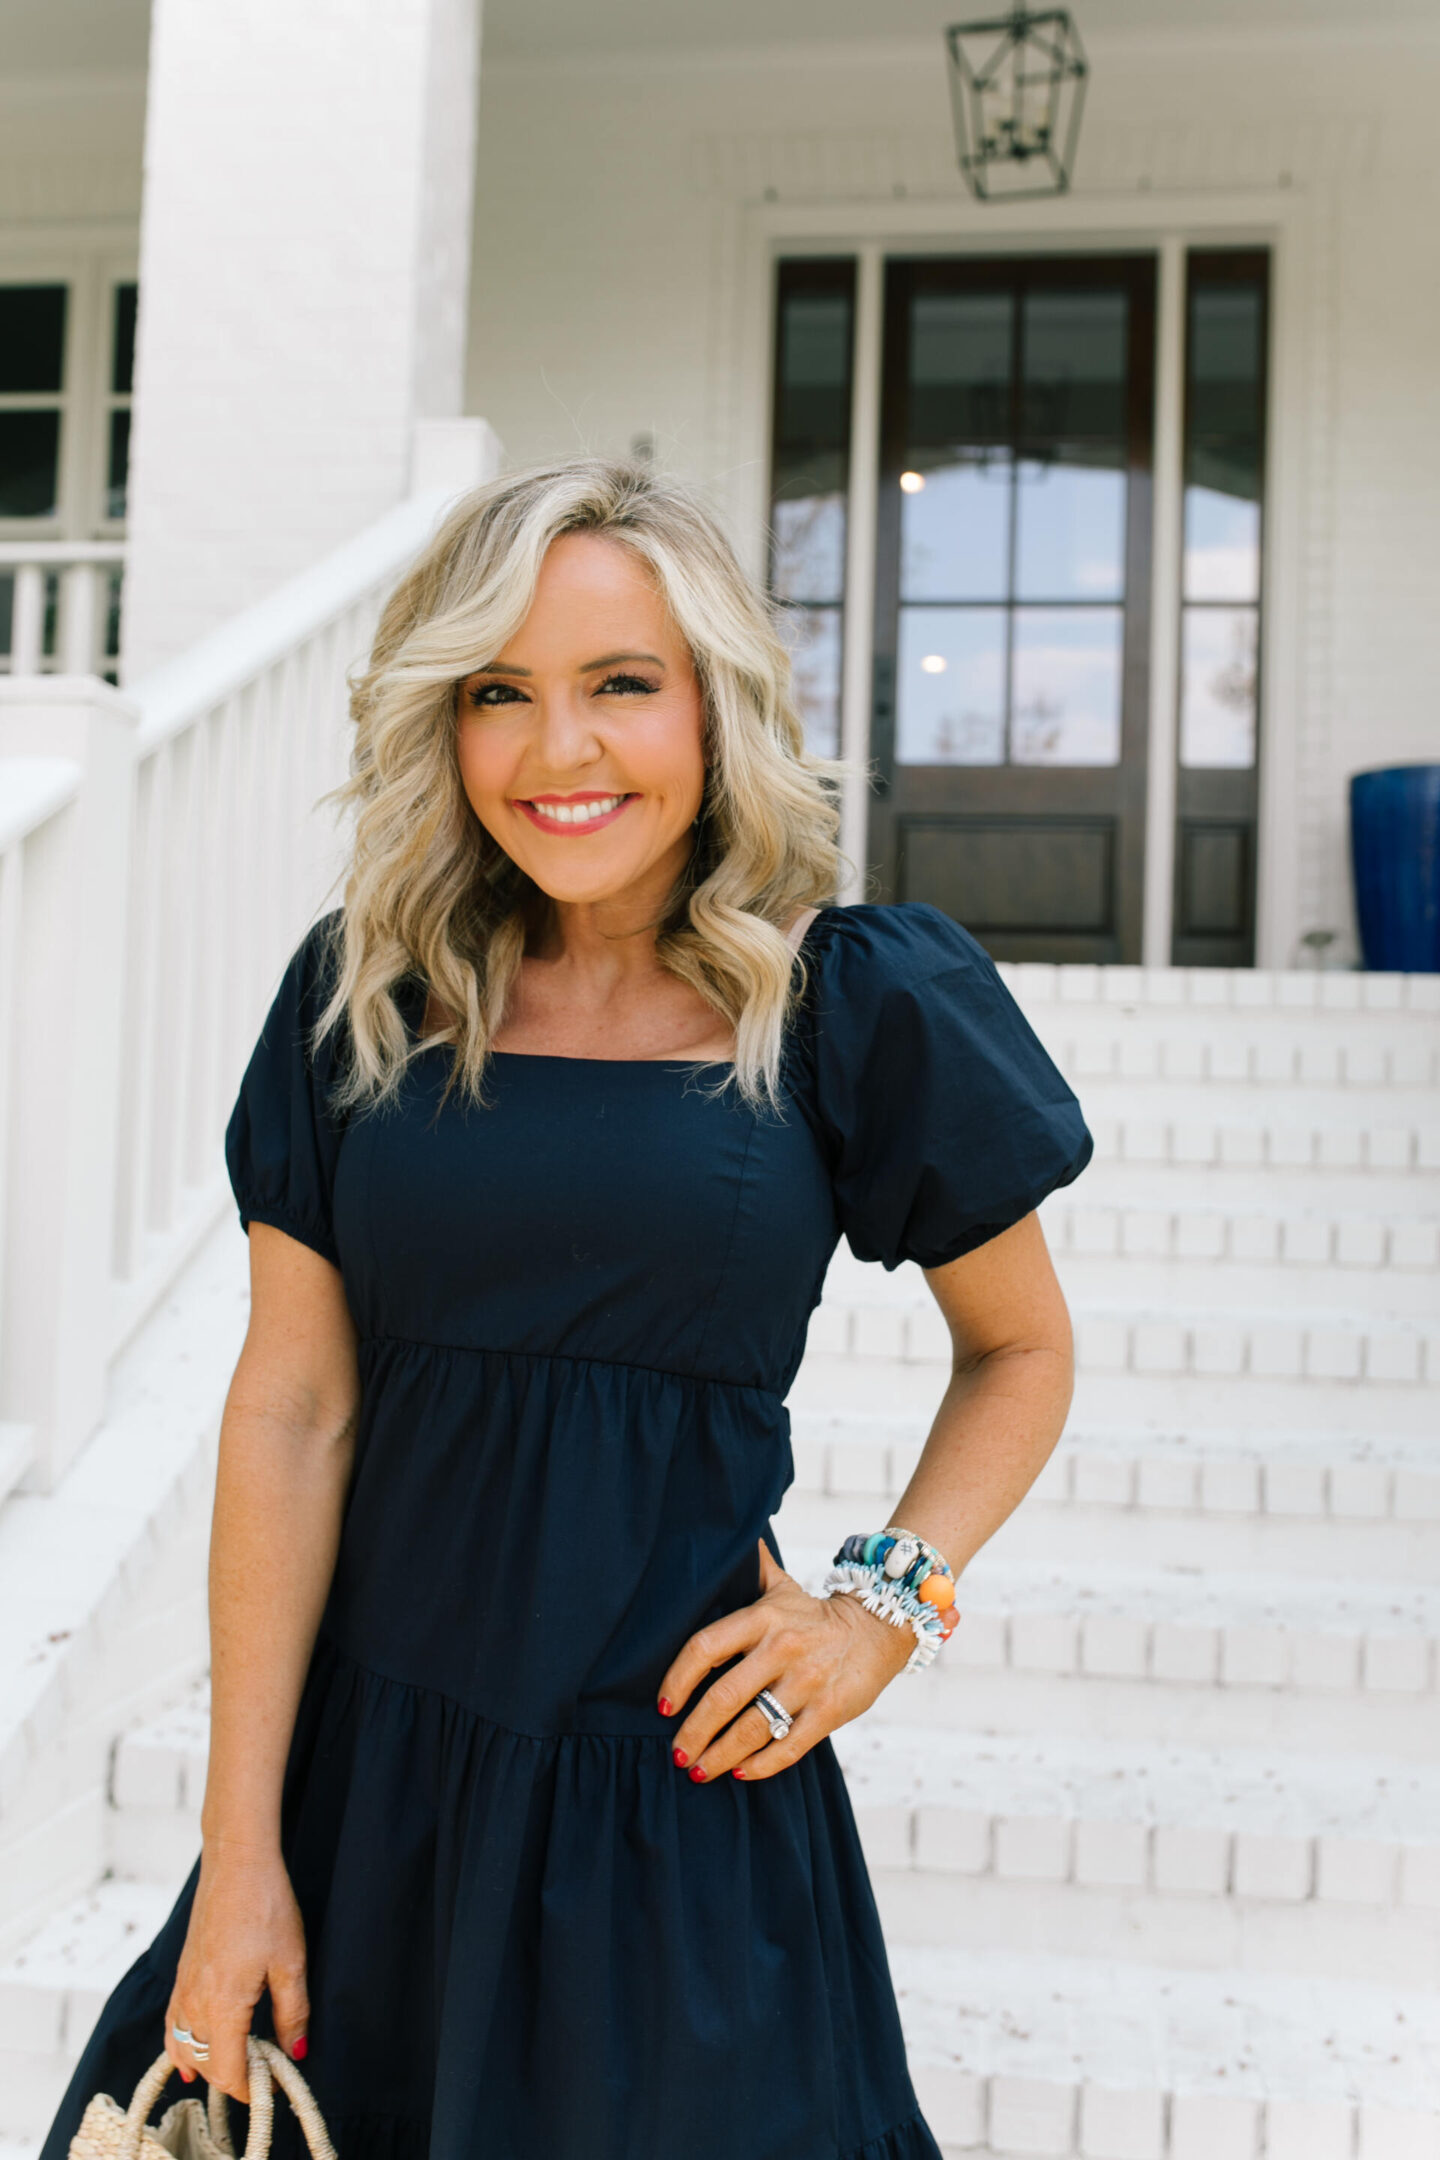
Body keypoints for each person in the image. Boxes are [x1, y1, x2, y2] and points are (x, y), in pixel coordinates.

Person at [42, 459, 1090, 2160]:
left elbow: (1023, 1347)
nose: (559, 752)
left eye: (621, 686)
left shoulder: (852, 1002)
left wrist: (879, 1611)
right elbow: (291, 1411)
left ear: (715, 707)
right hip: (366, 1804)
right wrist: (242, 1853)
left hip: (675, 1810)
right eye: (498, 694)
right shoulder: (358, 1006)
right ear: (442, 725)